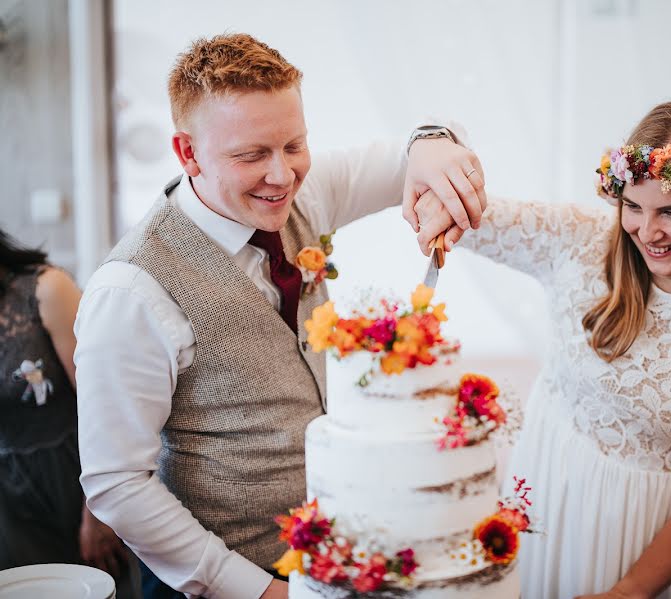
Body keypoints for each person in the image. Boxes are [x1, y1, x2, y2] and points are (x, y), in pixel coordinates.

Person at [74, 33, 486, 599]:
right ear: (188, 153)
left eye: (294, 145)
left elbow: (411, 153)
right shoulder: (131, 290)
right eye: (251, 155)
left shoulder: (301, 198)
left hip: (328, 553)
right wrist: (261, 592)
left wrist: (436, 148)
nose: (283, 175)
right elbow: (116, 484)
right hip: (226, 581)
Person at [411, 99, 671, 599]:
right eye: (632, 206)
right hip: (547, 509)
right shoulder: (579, 240)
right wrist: (431, 168)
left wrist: (631, 591)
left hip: (663, 556)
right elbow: (466, 213)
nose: (647, 231)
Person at [0, 230, 128, 575]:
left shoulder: (46, 290)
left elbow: (105, 403)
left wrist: (99, 510)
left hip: (74, 480)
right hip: (8, 503)